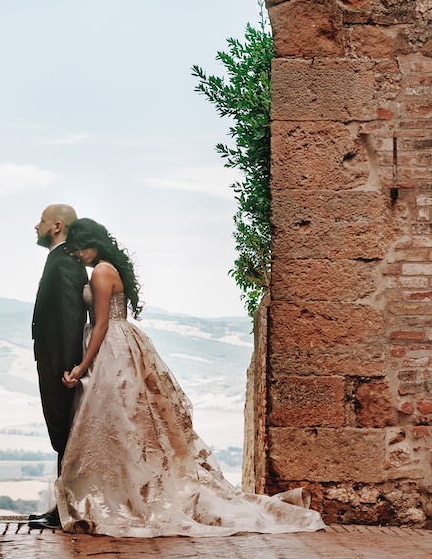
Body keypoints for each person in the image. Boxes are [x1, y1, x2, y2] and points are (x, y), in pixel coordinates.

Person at [54, 218, 325, 538]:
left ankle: (126, 496)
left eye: (80, 248)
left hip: (110, 347)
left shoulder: (100, 272)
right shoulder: (108, 267)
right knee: (127, 425)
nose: (78, 255)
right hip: (121, 345)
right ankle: (130, 491)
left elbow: (101, 325)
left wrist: (82, 366)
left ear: (92, 242)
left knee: (119, 424)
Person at [30, 204, 89, 529]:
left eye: (40, 221)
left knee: (65, 438)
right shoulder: (62, 258)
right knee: (62, 438)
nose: (34, 226)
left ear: (56, 225)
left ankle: (65, 511)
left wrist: (69, 367)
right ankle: (63, 508)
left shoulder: (65, 261)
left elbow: (70, 317)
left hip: (60, 366)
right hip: (55, 361)